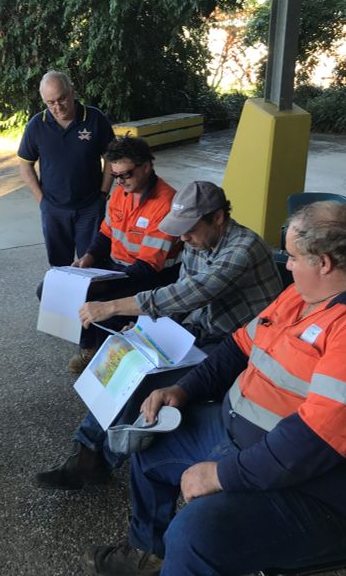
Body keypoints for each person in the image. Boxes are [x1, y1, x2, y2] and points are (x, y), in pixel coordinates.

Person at [83, 201, 346, 576]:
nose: (286, 265)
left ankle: (179, 560)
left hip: (326, 488)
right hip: (244, 434)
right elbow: (239, 346)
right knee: (151, 442)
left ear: (323, 263)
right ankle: (149, 554)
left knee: (196, 534)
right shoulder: (306, 293)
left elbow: (309, 445)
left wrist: (221, 475)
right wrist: (185, 389)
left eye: (291, 257)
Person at [35, 181, 282, 489]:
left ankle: (103, 459)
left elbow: (190, 294)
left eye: (189, 228)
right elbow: (181, 302)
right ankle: (85, 451)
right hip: (201, 331)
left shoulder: (243, 248)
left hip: (238, 345)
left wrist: (113, 307)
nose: (183, 237)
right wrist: (142, 329)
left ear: (218, 218)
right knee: (125, 355)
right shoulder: (198, 242)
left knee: (149, 379)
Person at [61, 136, 181, 374]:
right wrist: (89, 258)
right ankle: (91, 348)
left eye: (125, 174)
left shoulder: (165, 202)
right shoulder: (120, 192)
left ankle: (112, 359)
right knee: (54, 289)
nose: (120, 181)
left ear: (146, 167)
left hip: (151, 275)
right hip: (114, 267)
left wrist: (106, 287)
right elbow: (106, 232)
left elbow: (148, 266)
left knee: (99, 303)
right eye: (115, 176)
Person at [18, 71, 115, 267]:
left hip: (90, 207)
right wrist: (42, 200)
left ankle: (91, 299)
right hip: (53, 209)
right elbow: (25, 163)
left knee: (92, 264)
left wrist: (103, 194)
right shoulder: (37, 125)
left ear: (72, 92)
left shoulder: (95, 118)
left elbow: (111, 158)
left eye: (62, 99)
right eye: (50, 102)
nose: (57, 107)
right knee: (59, 266)